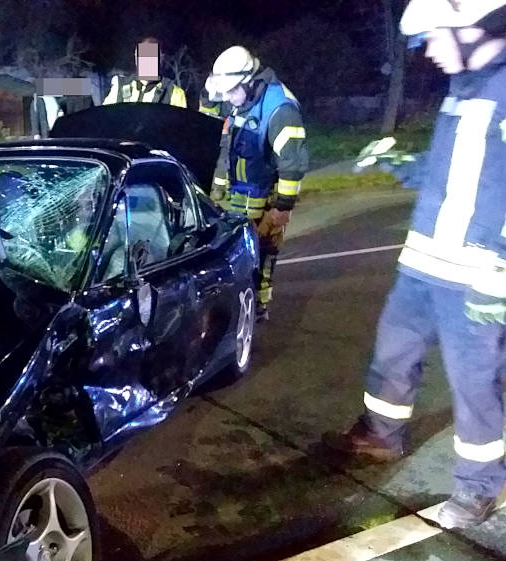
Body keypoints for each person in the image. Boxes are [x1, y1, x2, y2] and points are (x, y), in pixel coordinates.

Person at [323, 0, 506, 530]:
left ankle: (479, 487)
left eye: (432, 38)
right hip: (425, 265)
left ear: (472, 30)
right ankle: (381, 435)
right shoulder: (464, 91)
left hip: (479, 278)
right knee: (393, 352)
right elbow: (447, 172)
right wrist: (400, 164)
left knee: (473, 384)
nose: (426, 52)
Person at [199, 46, 309, 320]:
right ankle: (235, 307)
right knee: (232, 256)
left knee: (262, 254)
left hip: (265, 199)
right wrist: (208, 95)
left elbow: (292, 164)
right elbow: (207, 122)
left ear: (249, 82)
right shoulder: (238, 95)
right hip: (236, 195)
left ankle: (258, 308)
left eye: (231, 92)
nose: (228, 99)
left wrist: (283, 207)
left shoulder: (280, 109)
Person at [102, 36, 187, 107]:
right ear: (136, 58)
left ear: (161, 59)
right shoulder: (119, 86)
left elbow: (180, 125)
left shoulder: (175, 93)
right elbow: (105, 118)